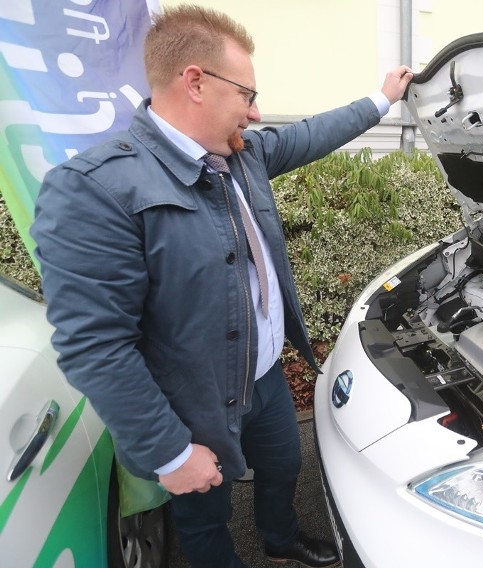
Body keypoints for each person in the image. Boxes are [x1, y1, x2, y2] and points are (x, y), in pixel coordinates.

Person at [31, 5, 413, 567]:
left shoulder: (241, 156)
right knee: (203, 512)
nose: (256, 114)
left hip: (264, 378)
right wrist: (169, 452)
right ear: (195, 83)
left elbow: (311, 135)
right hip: (194, 403)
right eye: (247, 95)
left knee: (284, 465)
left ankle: (280, 543)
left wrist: (382, 98)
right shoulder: (94, 190)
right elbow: (95, 346)